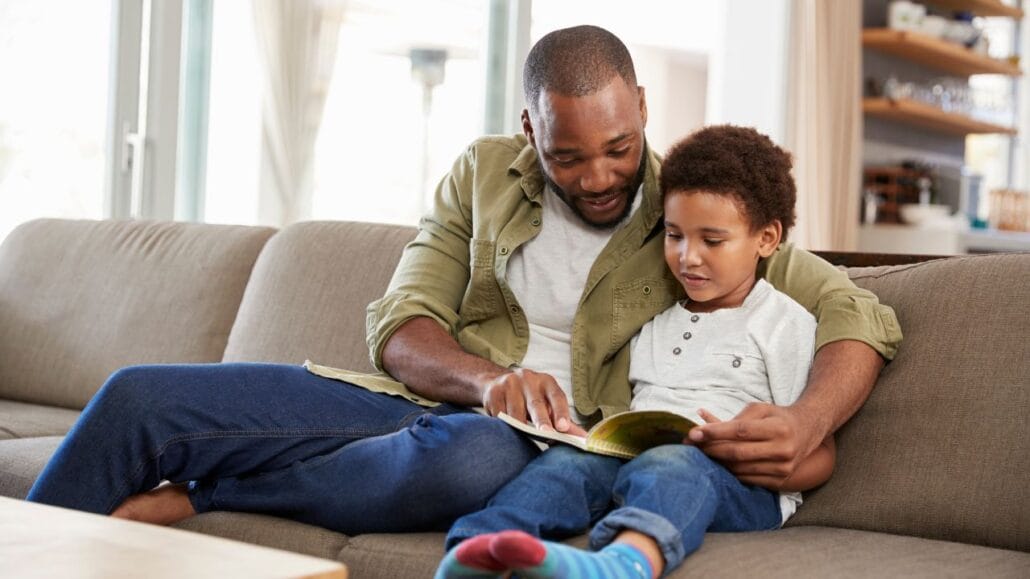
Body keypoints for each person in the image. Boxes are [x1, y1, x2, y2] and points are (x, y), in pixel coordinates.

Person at [26, 25, 900, 537]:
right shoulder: (481, 175)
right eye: (567, 156)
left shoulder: (691, 215)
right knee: (137, 397)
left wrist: (807, 419)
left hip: (545, 443)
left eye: (619, 149)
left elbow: (855, 309)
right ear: (529, 128)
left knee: (475, 458)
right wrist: (488, 380)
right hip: (424, 401)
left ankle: (207, 490)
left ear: (641, 106)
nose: (598, 177)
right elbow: (402, 321)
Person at [436, 125, 830, 579]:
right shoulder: (655, 323)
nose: (688, 257)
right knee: (567, 461)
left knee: (675, 462)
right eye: (675, 235)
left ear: (766, 239)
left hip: (738, 487)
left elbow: (821, 455)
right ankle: (481, 549)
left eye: (712, 241)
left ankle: (625, 563)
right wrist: (590, 436)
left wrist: (759, 461)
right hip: (635, 463)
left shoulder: (784, 323)